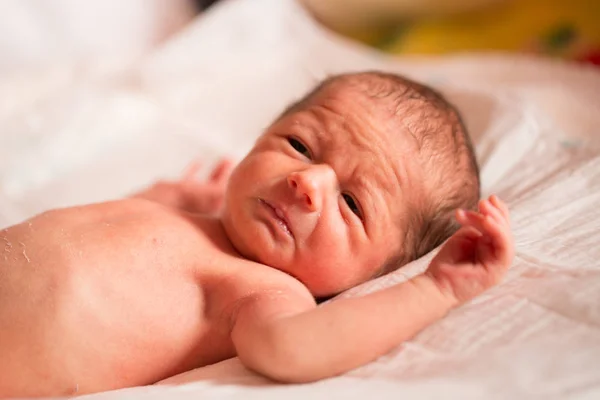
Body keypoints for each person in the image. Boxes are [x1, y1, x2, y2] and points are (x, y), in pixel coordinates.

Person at [0, 71, 513, 397]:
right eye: (299, 145)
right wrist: (167, 197)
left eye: (353, 204)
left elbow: (294, 349)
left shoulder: (264, 291)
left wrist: (436, 289)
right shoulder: (197, 220)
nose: (307, 183)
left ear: (381, 271)